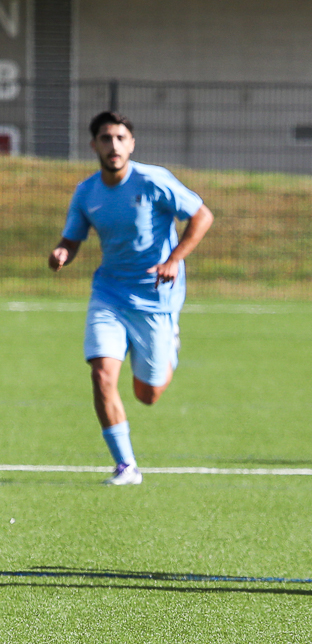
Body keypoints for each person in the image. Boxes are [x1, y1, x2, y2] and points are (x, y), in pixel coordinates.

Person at [48, 111, 214, 485]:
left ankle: (169, 341)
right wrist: (62, 253)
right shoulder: (86, 192)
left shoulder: (153, 180)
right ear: (94, 146)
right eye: (106, 139)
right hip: (108, 294)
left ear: (132, 144)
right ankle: (126, 466)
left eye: (121, 138)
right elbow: (71, 239)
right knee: (102, 373)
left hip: (156, 298)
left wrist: (174, 259)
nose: (114, 145)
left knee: (148, 394)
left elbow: (202, 215)